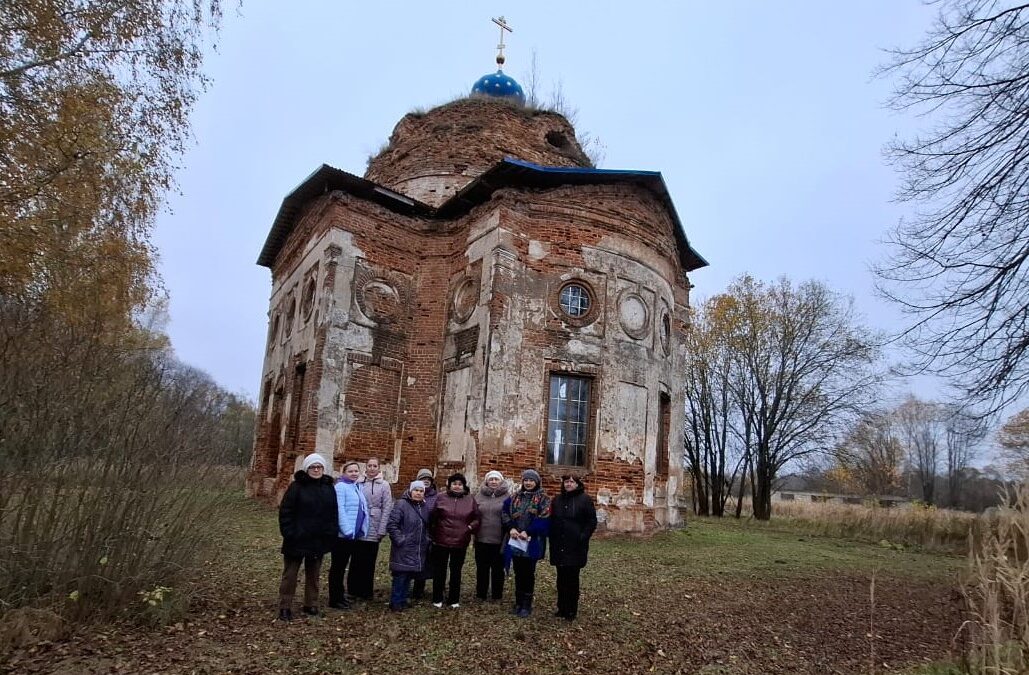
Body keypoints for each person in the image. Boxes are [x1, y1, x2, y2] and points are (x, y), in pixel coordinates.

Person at [277, 453, 338, 621]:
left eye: (319, 467)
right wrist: (290, 533)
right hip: (297, 538)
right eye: (313, 467)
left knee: (314, 575)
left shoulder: (328, 487)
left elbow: (333, 513)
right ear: (307, 468)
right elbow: (285, 512)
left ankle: (311, 604)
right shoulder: (296, 487)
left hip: (318, 539)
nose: (316, 470)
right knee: (290, 575)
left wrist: (330, 534)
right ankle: (285, 606)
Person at [502, 468, 551, 618]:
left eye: (531, 480)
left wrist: (528, 531)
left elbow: (545, 517)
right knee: (518, 571)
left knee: (528, 573)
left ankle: (526, 605)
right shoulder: (515, 497)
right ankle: (518, 602)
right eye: (526, 480)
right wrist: (511, 528)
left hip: (532, 542)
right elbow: (505, 512)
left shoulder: (543, 498)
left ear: (537, 482)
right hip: (516, 540)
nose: (528, 483)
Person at [549, 474, 597, 620]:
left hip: (575, 545)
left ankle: (571, 610)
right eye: (566, 481)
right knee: (561, 578)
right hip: (559, 544)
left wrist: (582, 536)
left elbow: (591, 521)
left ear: (577, 484)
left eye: (571, 482)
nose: (568, 484)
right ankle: (561, 607)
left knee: (572, 579)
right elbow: (551, 519)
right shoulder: (557, 500)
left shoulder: (585, 500)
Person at [428, 473, 481, 608]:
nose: (457, 486)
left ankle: (453, 599)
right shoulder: (440, 498)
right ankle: (437, 598)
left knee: (456, 571)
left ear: (463, 486)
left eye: (459, 484)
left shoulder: (470, 500)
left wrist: (469, 528)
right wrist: (435, 533)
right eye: (454, 484)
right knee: (440, 571)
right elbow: (433, 517)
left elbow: (477, 518)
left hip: (460, 541)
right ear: (449, 485)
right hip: (441, 541)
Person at [348, 457, 393, 602]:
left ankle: (366, 591)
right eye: (369, 466)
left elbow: (387, 507)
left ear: (379, 468)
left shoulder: (384, 485)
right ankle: (353, 589)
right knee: (356, 559)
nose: (372, 468)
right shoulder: (359, 483)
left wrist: (382, 529)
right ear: (365, 468)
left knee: (369, 560)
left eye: (375, 466)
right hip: (360, 524)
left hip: (375, 523)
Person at [328, 460, 369, 610]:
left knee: (344, 566)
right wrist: (346, 530)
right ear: (344, 473)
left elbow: (362, 509)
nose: (354, 473)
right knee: (338, 568)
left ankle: (341, 595)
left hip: (353, 535)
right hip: (343, 536)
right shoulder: (340, 487)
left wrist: (361, 529)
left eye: (356, 471)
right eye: (350, 471)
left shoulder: (355, 487)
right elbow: (340, 510)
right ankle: (335, 599)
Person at [386, 480, 432, 612]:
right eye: (416, 490)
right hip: (404, 546)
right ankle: (395, 602)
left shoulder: (424, 507)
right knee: (400, 574)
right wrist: (400, 540)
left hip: (417, 546)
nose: (418, 493)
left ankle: (403, 600)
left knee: (408, 574)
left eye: (421, 491)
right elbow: (392, 524)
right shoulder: (401, 504)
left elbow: (427, 526)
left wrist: (426, 539)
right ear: (410, 491)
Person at [473, 469, 509, 601]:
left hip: (499, 539)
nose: (493, 482)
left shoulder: (507, 497)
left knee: (498, 568)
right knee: (482, 567)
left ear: (501, 481)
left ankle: (496, 594)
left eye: (496, 479)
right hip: (481, 538)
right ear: (486, 481)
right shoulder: (478, 496)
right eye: (491, 479)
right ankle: (481, 593)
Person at [411, 468, 437, 601]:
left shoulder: (436, 496)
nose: (426, 481)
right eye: (423, 479)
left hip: (429, 534)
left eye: (428, 479)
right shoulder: (412, 494)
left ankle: (421, 588)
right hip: (414, 533)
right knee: (414, 560)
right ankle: (412, 588)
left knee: (427, 562)